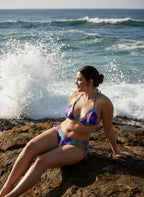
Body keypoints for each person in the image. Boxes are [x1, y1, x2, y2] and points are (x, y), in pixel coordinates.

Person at [0, 65, 133, 197]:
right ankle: (6, 188)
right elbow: (69, 120)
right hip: (59, 132)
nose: (76, 82)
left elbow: (108, 129)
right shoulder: (74, 95)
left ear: (90, 81)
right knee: (30, 147)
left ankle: (10, 196)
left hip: (77, 145)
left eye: (79, 79)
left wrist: (116, 151)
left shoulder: (104, 103)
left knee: (41, 161)